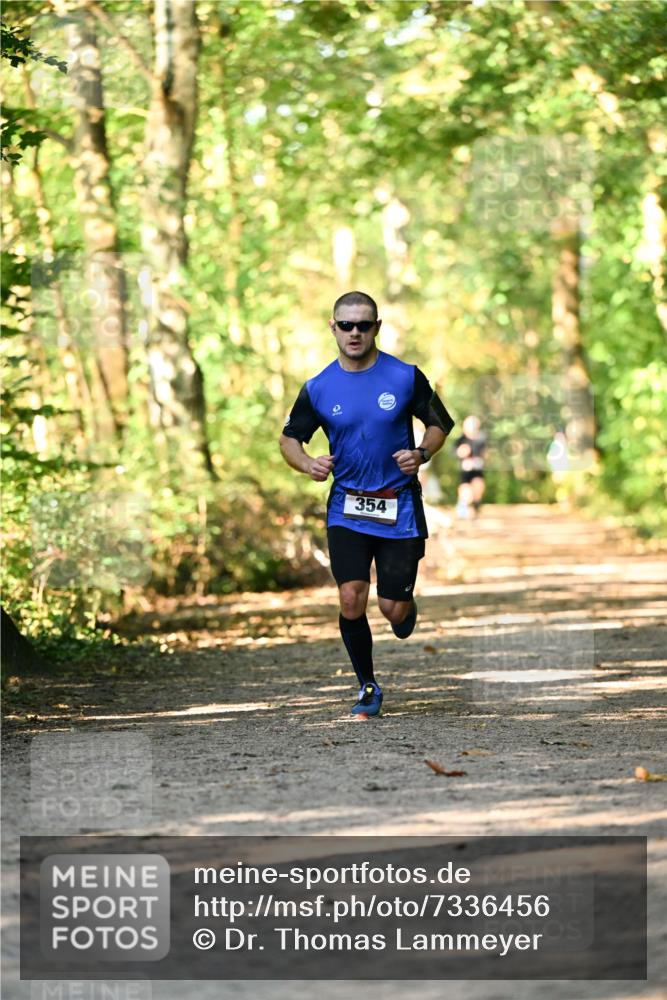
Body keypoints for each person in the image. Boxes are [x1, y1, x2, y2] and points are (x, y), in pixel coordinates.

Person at [279, 290, 454, 717]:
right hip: (348, 507)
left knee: (391, 608)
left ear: (377, 327)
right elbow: (289, 438)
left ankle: (403, 609)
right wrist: (307, 464)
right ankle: (367, 685)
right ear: (333, 328)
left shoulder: (405, 376)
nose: (354, 333)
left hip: (399, 506)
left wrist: (422, 454)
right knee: (351, 598)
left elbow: (439, 423)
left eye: (363, 325)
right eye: (346, 325)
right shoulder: (319, 387)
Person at [454, 415, 486, 518]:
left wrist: (478, 460)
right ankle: (463, 508)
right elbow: (454, 452)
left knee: (478, 489)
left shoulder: (481, 438)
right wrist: (461, 452)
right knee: (465, 492)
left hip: (477, 470)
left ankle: (476, 507)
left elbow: (485, 454)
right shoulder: (461, 439)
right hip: (465, 471)